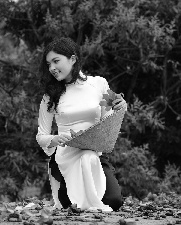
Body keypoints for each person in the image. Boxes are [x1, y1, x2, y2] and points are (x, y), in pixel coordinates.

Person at [36, 37, 127, 212]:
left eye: (56, 61)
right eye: (48, 64)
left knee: (114, 201)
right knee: (72, 205)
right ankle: (65, 189)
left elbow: (112, 113)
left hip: (93, 154)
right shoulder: (50, 96)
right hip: (66, 156)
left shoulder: (98, 83)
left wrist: (121, 104)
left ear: (73, 58)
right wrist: (55, 138)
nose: (52, 68)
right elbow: (41, 136)